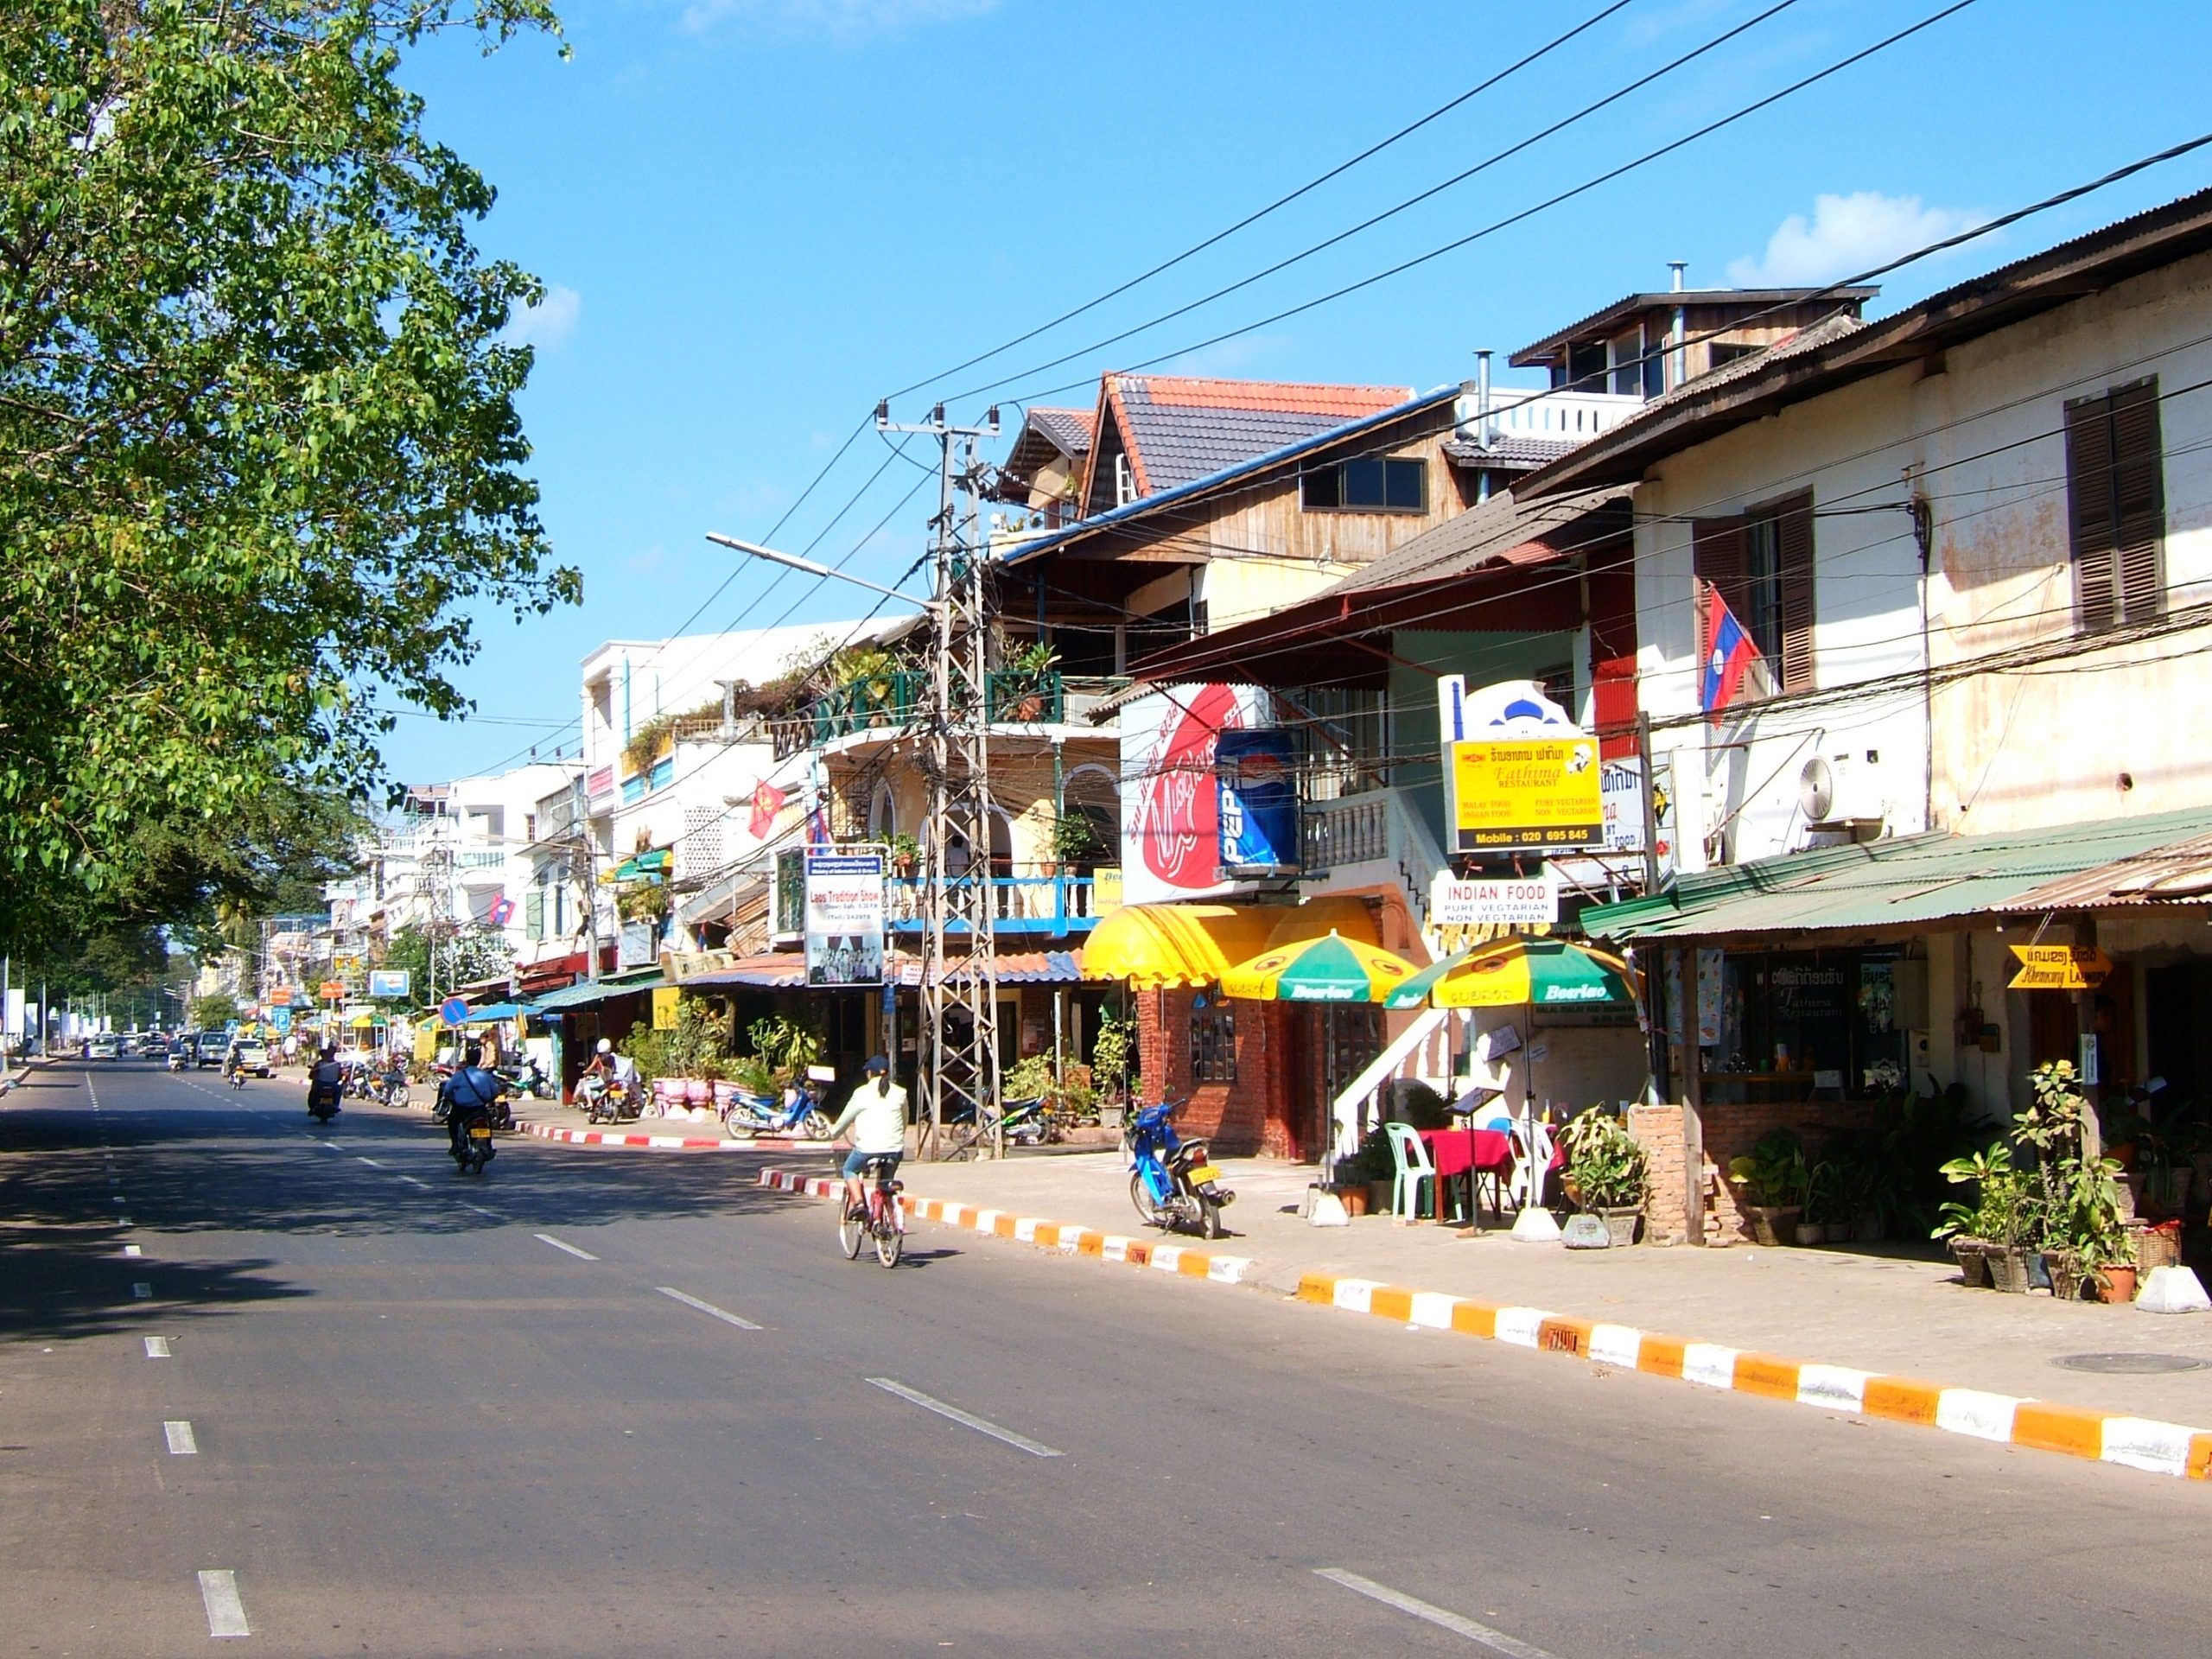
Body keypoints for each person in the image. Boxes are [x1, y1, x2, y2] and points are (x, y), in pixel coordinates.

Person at [827, 1055, 907, 1217]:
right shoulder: (900, 1092)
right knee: (886, 1182)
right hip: (895, 1149)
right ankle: (889, 1218)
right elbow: (904, 1120)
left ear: (869, 1073)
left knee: (849, 1169)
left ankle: (859, 1203)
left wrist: (833, 1133)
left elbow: (844, 1119)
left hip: (867, 1150)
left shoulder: (861, 1093)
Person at [442, 1041, 508, 1154]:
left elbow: (447, 1090)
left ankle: (455, 1145)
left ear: (467, 1060)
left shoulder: (459, 1075)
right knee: (488, 1124)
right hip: (479, 1108)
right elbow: (495, 1091)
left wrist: (450, 1097)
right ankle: (488, 1145)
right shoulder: (485, 1075)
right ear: (479, 1060)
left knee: (452, 1121)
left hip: (462, 1109)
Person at [578, 1037, 638, 1116]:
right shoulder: (612, 1057)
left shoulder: (598, 1058)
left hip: (602, 1080)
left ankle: (590, 1104)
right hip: (612, 1079)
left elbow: (591, 1067)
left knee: (586, 1085)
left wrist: (586, 1072)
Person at [307, 1045, 345, 1116]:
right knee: (338, 1090)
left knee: (315, 1091)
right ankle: (335, 1105)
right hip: (332, 1085)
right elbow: (340, 1075)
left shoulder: (319, 1063)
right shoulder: (337, 1064)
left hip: (321, 1084)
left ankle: (315, 1107)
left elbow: (312, 1075)